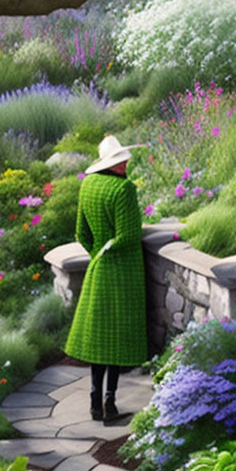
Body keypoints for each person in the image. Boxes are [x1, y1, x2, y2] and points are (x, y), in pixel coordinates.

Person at [64, 135, 148, 422]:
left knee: (100, 342)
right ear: (110, 164)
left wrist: (98, 253)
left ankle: (94, 401)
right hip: (123, 273)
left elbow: (81, 234)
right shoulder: (123, 189)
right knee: (117, 342)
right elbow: (129, 236)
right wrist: (112, 251)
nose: (125, 163)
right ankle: (109, 403)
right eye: (120, 160)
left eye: (124, 159)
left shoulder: (88, 185)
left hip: (97, 271)